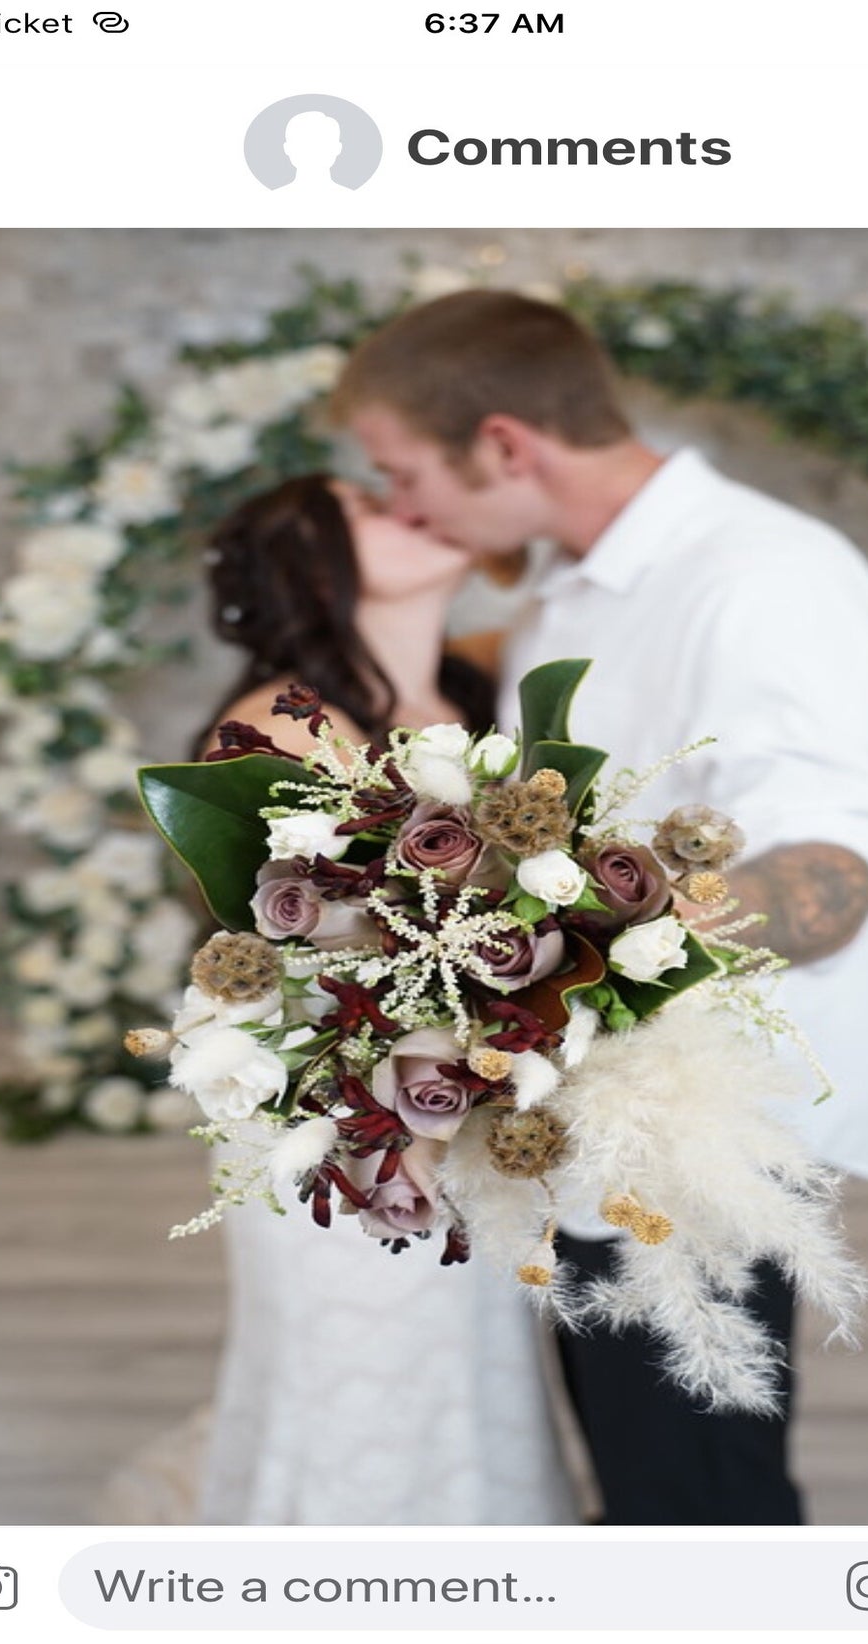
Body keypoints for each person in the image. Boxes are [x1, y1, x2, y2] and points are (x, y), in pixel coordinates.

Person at [331, 288, 868, 1525]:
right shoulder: (573, 588)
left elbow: (838, 856)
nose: (403, 506)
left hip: (704, 1111)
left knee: (699, 1494)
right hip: (594, 1094)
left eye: (404, 474)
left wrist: (562, 959)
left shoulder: (763, 573)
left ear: (505, 445)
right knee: (636, 1460)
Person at [187, 474, 576, 1525]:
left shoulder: (474, 695)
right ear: (313, 571)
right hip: (343, 1113)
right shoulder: (278, 724)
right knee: (366, 1379)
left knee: (472, 1377)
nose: (408, 504)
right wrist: (399, 1116)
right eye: (365, 508)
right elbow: (300, 963)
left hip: (471, 1105)